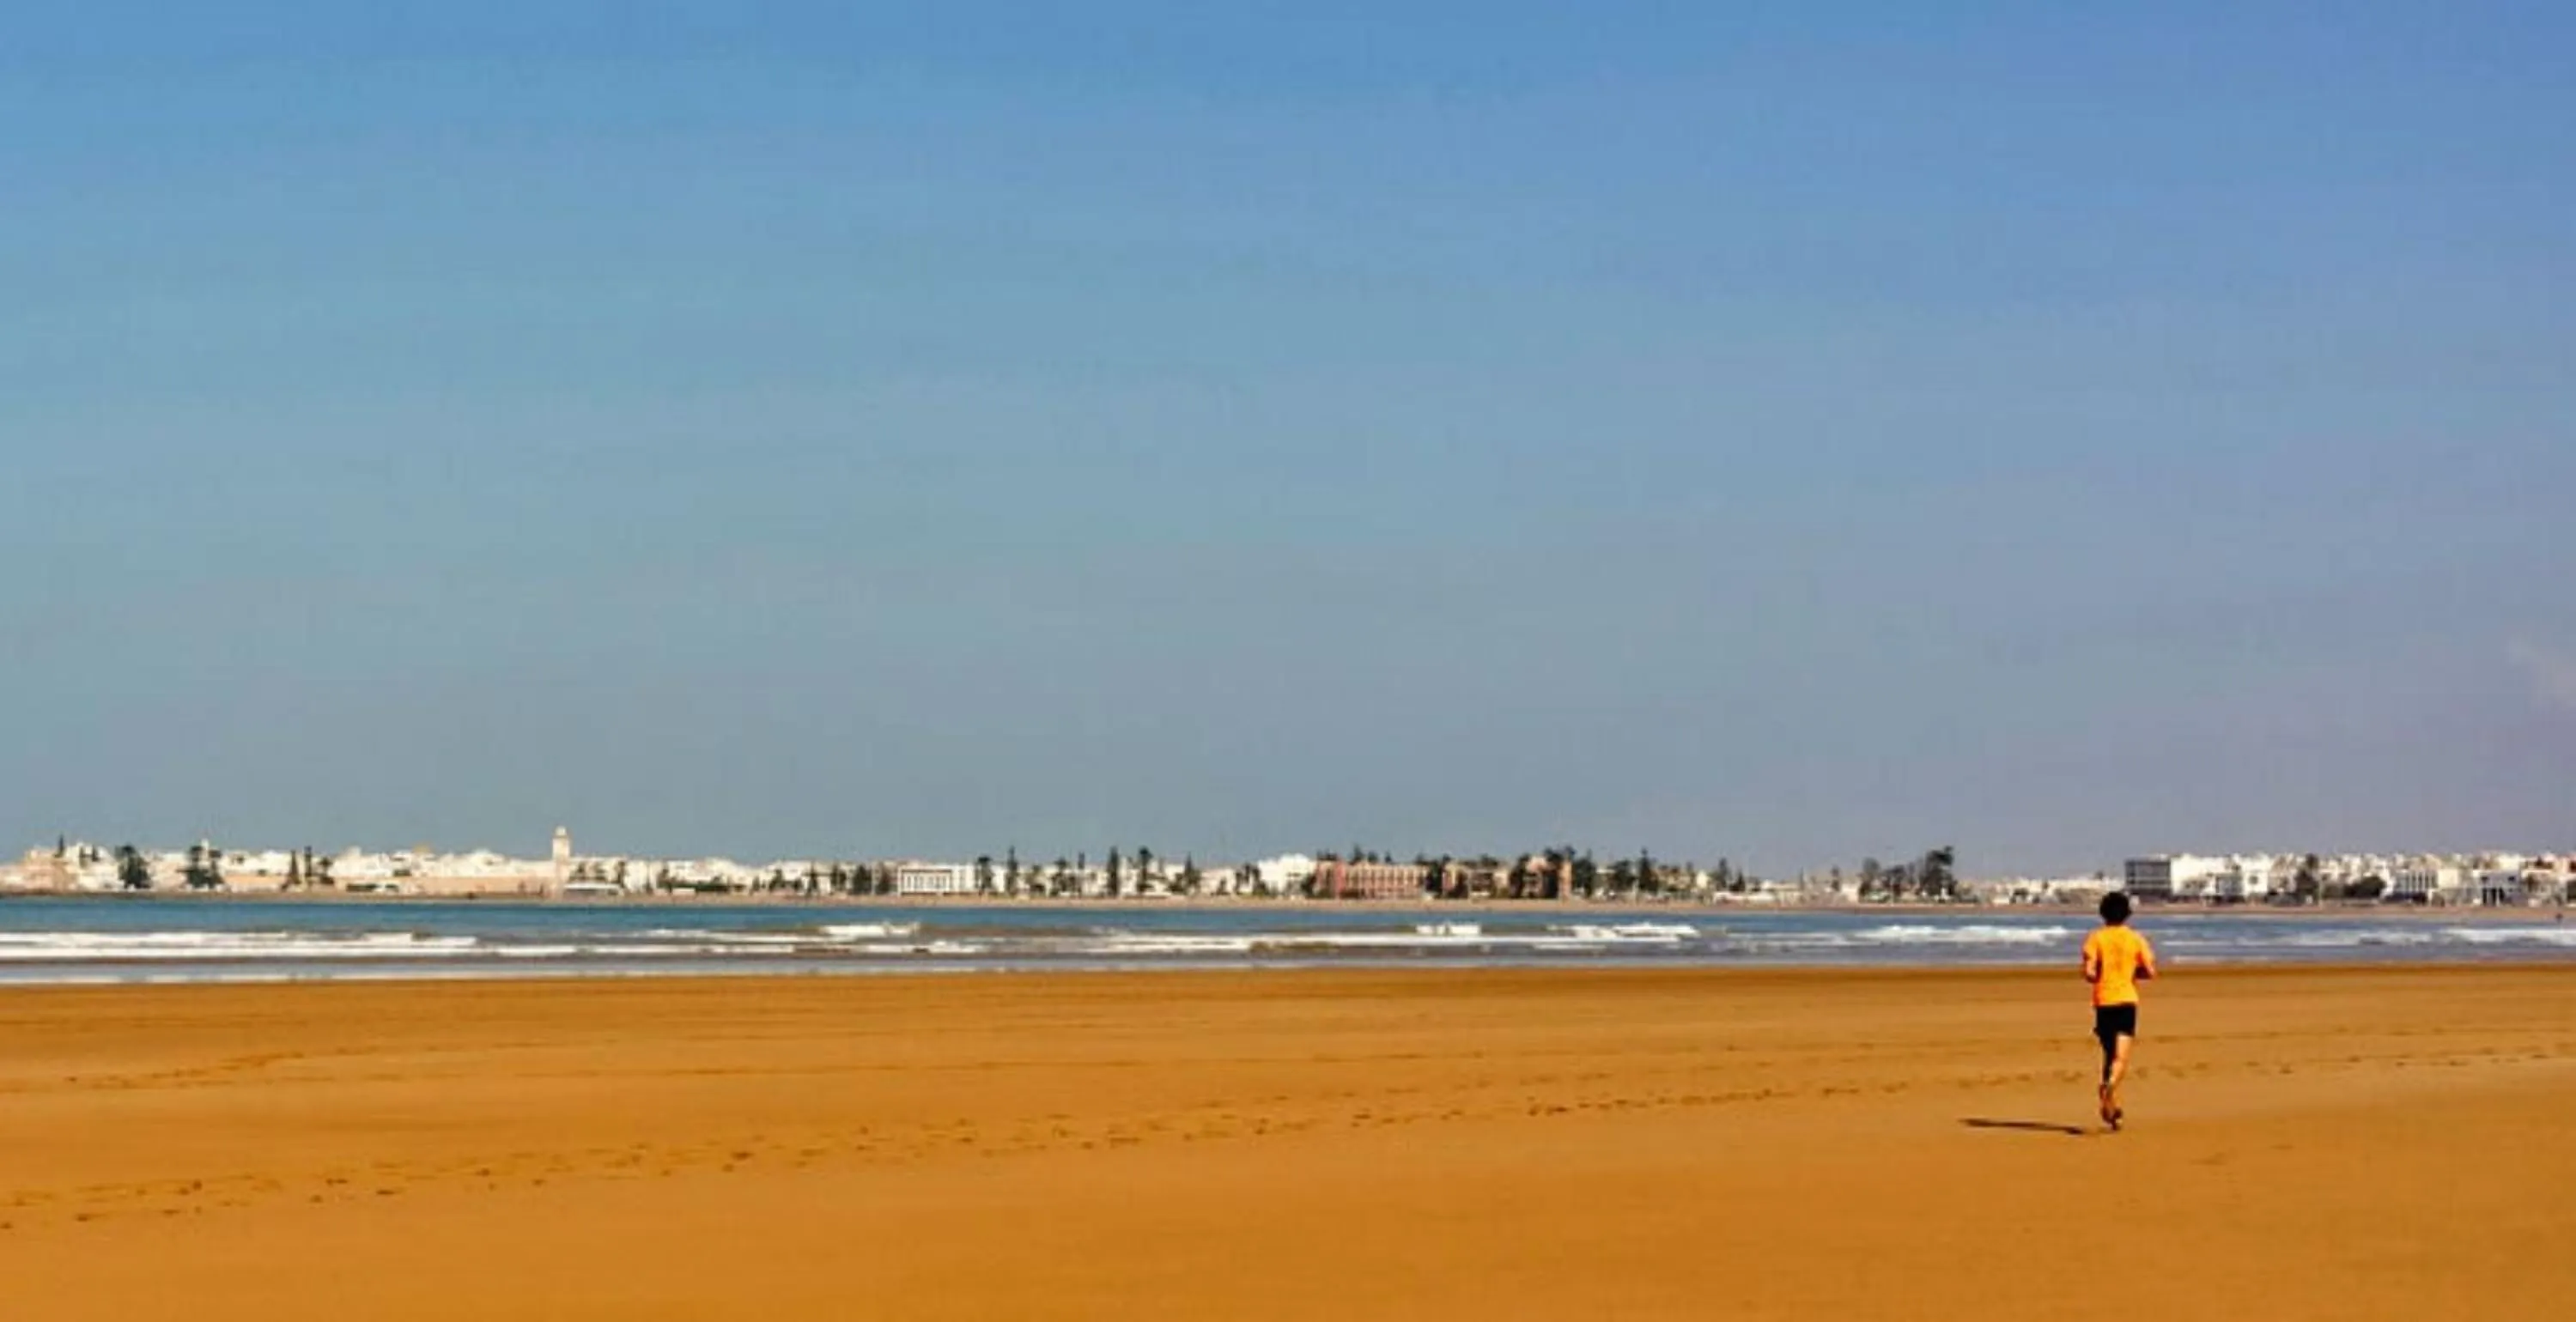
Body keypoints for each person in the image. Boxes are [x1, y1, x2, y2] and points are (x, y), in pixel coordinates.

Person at [2081, 892, 2156, 1130]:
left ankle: (2112, 1110)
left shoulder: (2095, 938)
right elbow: (2150, 971)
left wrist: (2099, 976)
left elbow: (2090, 973)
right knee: (2120, 1058)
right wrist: (2134, 974)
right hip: (2126, 1000)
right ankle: (2110, 1087)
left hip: (2103, 1001)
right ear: (2127, 914)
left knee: (2109, 1055)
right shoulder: (2135, 939)